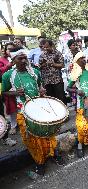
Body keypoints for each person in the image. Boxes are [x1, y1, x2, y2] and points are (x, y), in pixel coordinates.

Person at [2, 47, 64, 178]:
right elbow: (4, 92)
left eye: (25, 57)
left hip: (39, 108)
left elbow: (40, 86)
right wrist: (15, 93)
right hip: (22, 111)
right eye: (20, 58)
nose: (24, 60)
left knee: (48, 133)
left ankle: (53, 154)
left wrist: (42, 91)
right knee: (31, 139)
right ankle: (39, 162)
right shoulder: (8, 75)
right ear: (14, 60)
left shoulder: (35, 72)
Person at [67, 52, 88, 158]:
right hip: (81, 103)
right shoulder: (75, 73)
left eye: (84, 58)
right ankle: (80, 146)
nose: (83, 60)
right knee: (82, 126)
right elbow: (68, 88)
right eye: (81, 58)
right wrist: (77, 91)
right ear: (76, 61)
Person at [0, 43, 17, 145]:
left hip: (8, 87)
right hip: (6, 87)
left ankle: (5, 138)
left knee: (1, 114)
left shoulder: (16, 58)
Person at [39, 39, 66, 104]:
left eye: (47, 47)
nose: (45, 49)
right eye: (44, 47)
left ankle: (62, 113)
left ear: (51, 46)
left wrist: (53, 64)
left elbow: (62, 65)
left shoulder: (58, 53)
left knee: (60, 98)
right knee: (50, 99)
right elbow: (40, 67)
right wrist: (43, 64)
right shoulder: (42, 55)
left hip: (57, 80)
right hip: (47, 81)